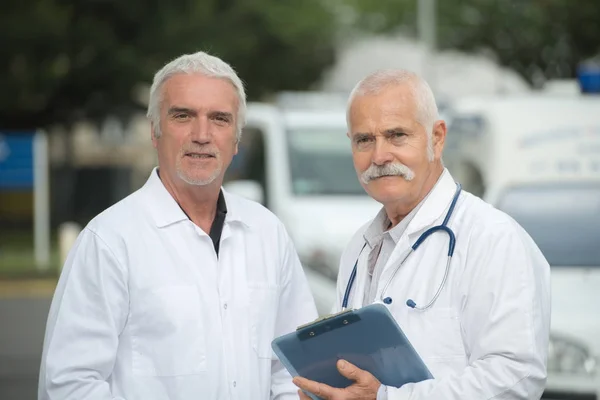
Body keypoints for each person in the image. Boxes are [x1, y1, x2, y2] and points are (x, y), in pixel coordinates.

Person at [38, 51, 318, 400]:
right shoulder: (109, 240)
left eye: (219, 118)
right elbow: (71, 384)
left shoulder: (268, 233)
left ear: (236, 140)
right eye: (183, 116)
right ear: (155, 131)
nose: (202, 134)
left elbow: (294, 369)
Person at [292, 69, 551, 399]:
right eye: (364, 140)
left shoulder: (493, 239)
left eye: (397, 135)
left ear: (437, 138)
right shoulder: (360, 245)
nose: (380, 156)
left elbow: (517, 377)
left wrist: (387, 397)